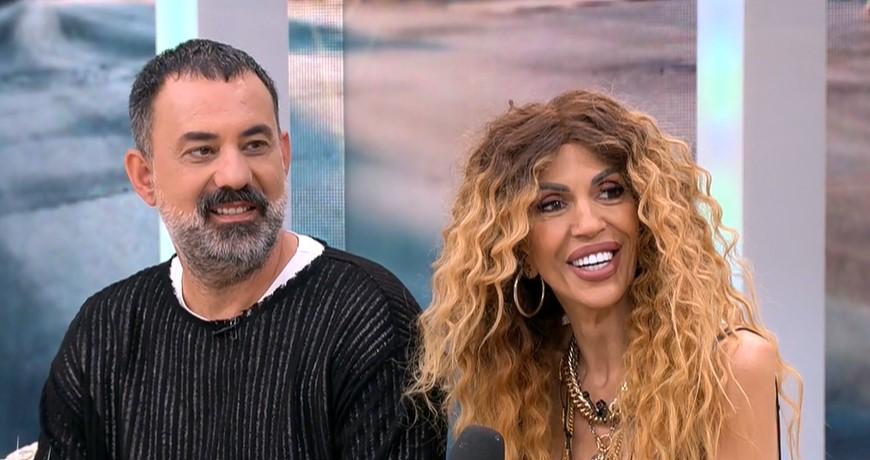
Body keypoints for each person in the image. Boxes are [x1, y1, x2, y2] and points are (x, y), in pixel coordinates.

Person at [35, 39, 444, 459]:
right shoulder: (105, 332)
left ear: (284, 155)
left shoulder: (369, 320)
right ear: (145, 178)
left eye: (254, 145)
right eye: (202, 151)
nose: (234, 175)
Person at [408, 90, 802, 459]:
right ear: (521, 251)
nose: (588, 223)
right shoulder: (524, 385)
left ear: (645, 218)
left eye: (610, 191)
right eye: (552, 204)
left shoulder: (732, 368)